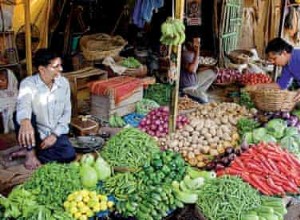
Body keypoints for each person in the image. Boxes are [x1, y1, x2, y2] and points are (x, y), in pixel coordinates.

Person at [6, 48, 76, 170]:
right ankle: (30, 154)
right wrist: (25, 122)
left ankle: (31, 150)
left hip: (54, 132)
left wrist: (54, 136)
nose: (61, 69)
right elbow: (24, 105)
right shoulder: (28, 84)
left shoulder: (63, 83)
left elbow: (66, 114)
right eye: (56, 66)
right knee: (21, 116)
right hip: (35, 132)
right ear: (42, 69)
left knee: (68, 154)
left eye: (60, 65)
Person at [179, 37, 216, 103]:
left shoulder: (191, 53)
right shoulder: (186, 54)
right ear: (190, 44)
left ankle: (198, 92)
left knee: (212, 72)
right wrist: (197, 51)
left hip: (194, 81)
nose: (199, 45)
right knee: (204, 99)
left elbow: (196, 69)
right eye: (197, 43)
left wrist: (209, 68)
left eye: (199, 43)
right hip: (187, 87)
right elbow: (192, 70)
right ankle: (190, 94)